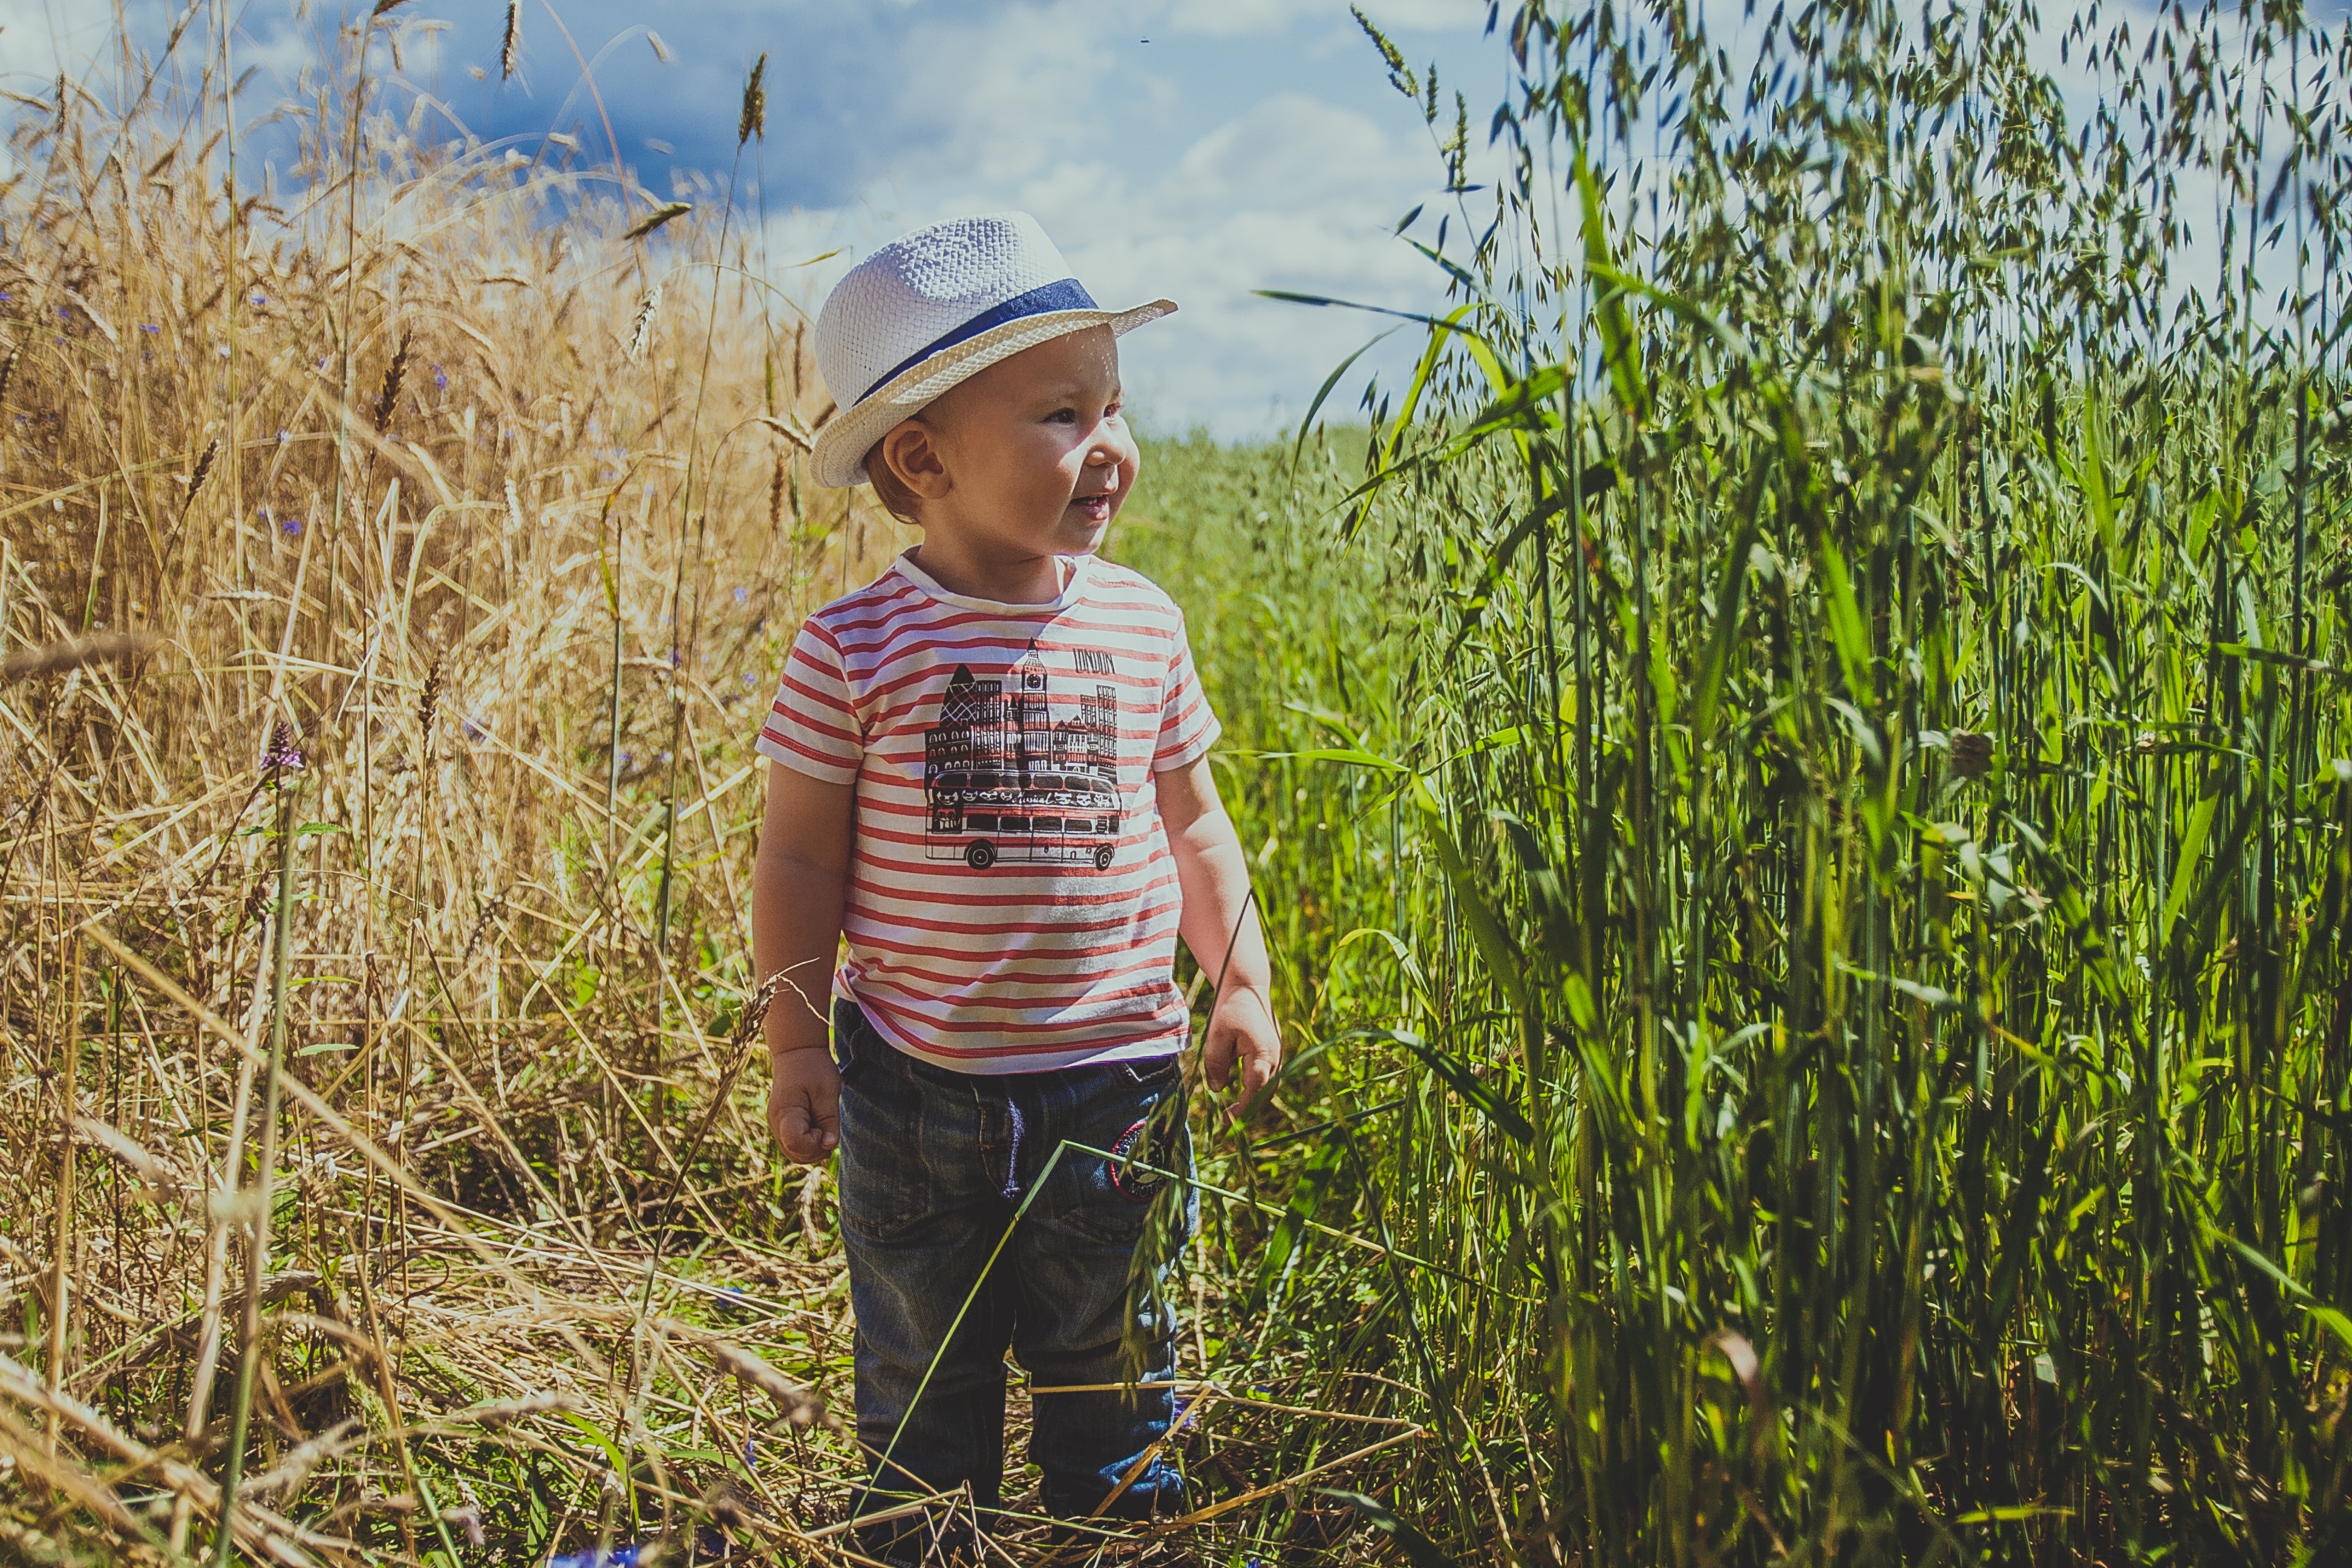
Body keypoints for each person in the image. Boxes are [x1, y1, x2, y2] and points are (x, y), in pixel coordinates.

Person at [749, 212, 1280, 1564]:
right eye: (1062, 413)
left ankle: (1114, 1533)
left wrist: (1240, 979)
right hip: (914, 1091)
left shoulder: (1140, 621)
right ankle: (934, 1537)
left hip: (1116, 1081)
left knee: (1113, 1354)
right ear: (922, 458)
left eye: (1115, 405)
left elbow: (1195, 825)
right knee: (925, 1366)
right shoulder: (854, 648)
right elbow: (800, 857)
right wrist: (798, 1036)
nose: (1111, 444)